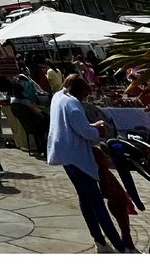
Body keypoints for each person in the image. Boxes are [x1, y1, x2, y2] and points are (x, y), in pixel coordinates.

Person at [46, 74, 124, 253]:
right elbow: (84, 131)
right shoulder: (73, 105)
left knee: (84, 197)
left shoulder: (58, 97)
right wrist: (97, 130)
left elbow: (76, 125)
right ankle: (118, 245)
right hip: (76, 156)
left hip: (64, 153)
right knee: (96, 200)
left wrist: (90, 126)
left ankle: (99, 241)